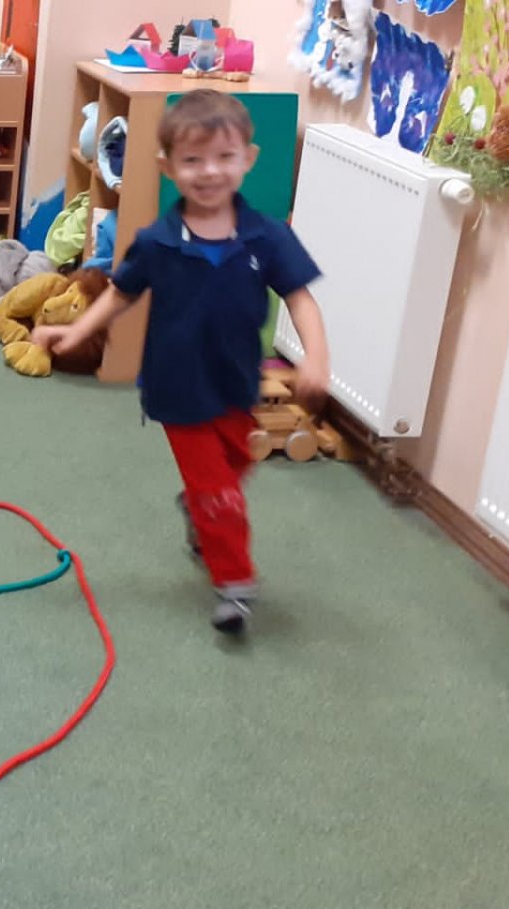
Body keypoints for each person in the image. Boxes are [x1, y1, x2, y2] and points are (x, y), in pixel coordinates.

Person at [33, 89, 331, 635]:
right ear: (167, 167)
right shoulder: (157, 242)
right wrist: (75, 330)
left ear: (248, 158)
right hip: (178, 388)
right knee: (219, 492)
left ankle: (197, 508)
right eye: (193, 160)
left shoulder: (268, 237)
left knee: (235, 467)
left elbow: (299, 297)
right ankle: (234, 584)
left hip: (236, 383)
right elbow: (120, 293)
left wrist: (316, 357)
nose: (209, 171)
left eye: (224, 157)